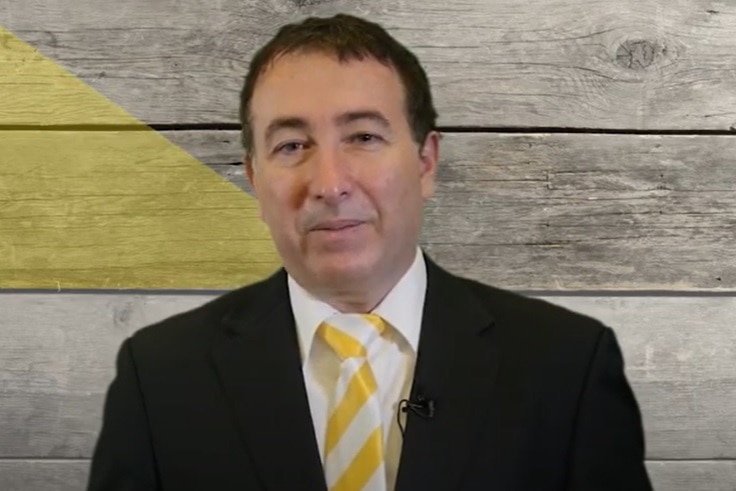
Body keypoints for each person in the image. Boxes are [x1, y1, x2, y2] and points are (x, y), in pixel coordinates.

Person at [87, 13, 653, 491]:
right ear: (255, 180)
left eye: (363, 137)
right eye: (291, 145)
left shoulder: (566, 369)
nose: (329, 183)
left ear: (426, 162)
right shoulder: (158, 379)